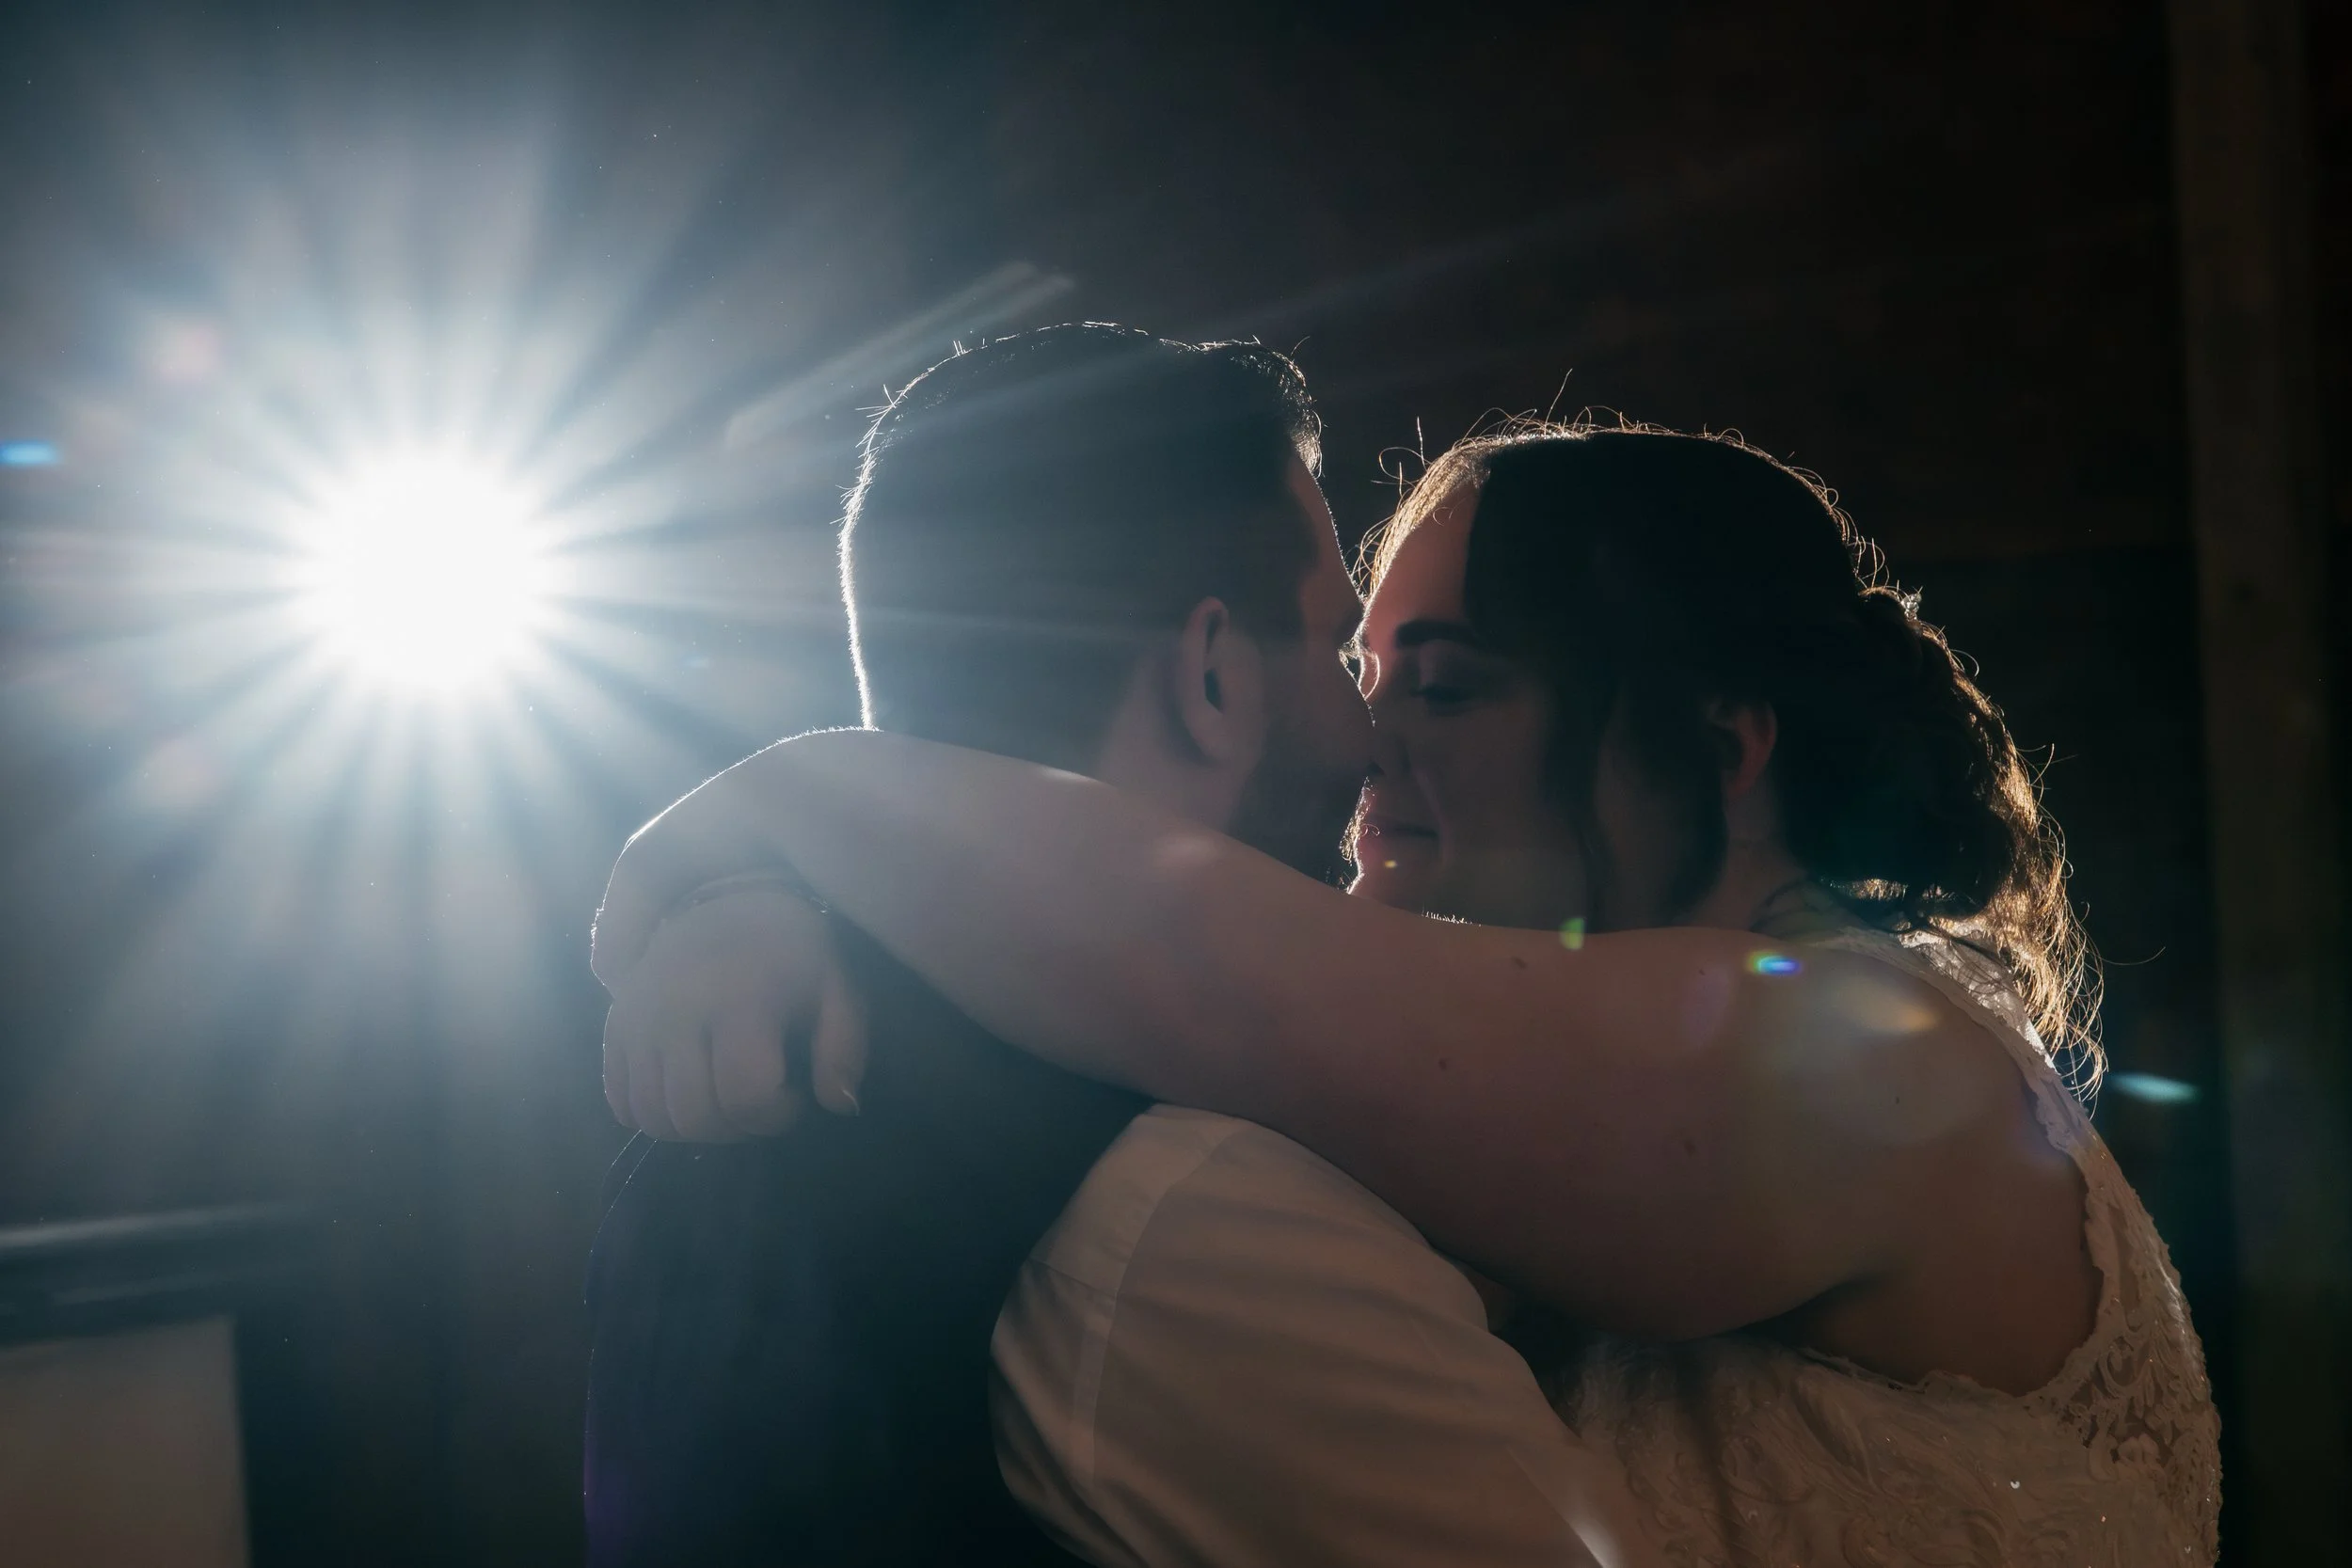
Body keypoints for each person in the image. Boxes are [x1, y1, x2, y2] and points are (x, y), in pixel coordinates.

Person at [595, 421, 2222, 1566]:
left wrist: (770, 803)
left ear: (1719, 754)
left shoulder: (1875, 1056)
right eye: (1365, 676)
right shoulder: (1506, 1114)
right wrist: (778, 895)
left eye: (1444, 688)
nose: (1375, 747)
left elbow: (1191, 963)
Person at [585, 327, 1638, 1566]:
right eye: (1340, 649)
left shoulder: (747, 1078)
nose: (1371, 735)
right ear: (1210, 674)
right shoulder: (1186, 1208)